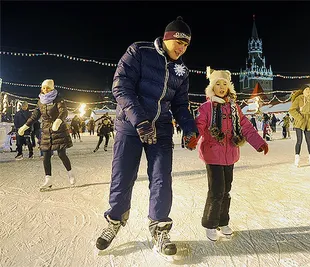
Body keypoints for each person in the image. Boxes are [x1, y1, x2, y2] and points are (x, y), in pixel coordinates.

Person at [96, 16, 199, 257]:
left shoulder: (181, 70)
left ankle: (160, 228)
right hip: (130, 127)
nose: (182, 48)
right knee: (122, 177)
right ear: (167, 38)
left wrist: (189, 128)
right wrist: (140, 121)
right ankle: (114, 221)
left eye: (186, 45)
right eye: (179, 43)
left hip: (161, 128)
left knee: (162, 178)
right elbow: (121, 86)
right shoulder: (139, 51)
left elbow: (181, 104)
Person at [195, 67, 269, 241]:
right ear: (212, 87)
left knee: (226, 190)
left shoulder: (234, 107)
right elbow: (199, 124)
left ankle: (222, 221)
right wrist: (192, 137)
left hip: (230, 154)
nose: (221, 87)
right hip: (213, 154)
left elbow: (246, 127)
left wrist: (259, 143)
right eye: (217, 84)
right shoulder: (206, 107)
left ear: (229, 87)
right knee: (216, 190)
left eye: (224, 84)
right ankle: (210, 223)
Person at [18, 79, 75, 190]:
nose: (45, 90)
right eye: (43, 88)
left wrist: (58, 122)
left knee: (61, 154)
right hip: (46, 131)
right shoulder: (40, 101)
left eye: (48, 88)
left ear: (52, 88)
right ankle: (48, 180)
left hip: (58, 130)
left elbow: (64, 111)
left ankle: (70, 174)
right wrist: (25, 126)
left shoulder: (58, 99)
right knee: (46, 156)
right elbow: (34, 116)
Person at [288, 84, 310, 167]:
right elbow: (292, 110)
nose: (308, 91)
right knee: (299, 141)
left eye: (309, 90)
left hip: (308, 122)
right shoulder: (298, 99)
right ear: (303, 91)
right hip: (300, 122)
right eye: (306, 89)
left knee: (309, 141)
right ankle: (297, 160)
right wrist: (299, 118)